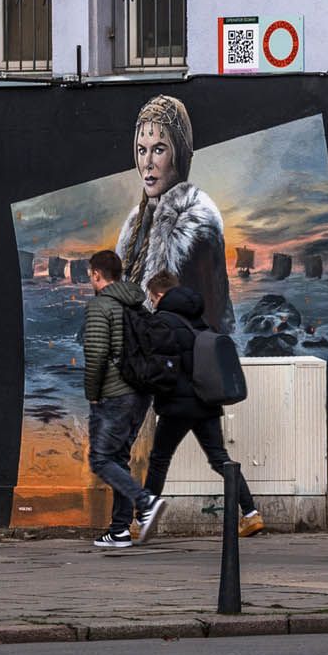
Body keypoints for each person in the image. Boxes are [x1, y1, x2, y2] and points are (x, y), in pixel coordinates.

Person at [138, 279, 265, 542]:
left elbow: (162, 364)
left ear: (160, 295)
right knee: (220, 458)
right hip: (206, 402)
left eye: (152, 297)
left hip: (177, 404)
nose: (151, 302)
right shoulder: (201, 322)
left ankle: (142, 520)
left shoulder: (163, 321)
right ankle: (251, 513)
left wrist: (152, 387)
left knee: (160, 459)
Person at [115, 94, 233, 336]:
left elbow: (210, 322)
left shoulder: (196, 226)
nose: (147, 163)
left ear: (179, 153)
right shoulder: (135, 224)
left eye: (158, 149)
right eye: (141, 150)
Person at [79, 248, 154, 550]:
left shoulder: (101, 306)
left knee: (100, 458)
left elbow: (96, 354)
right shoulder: (138, 304)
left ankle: (145, 501)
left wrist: (93, 395)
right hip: (140, 393)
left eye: (89, 275)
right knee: (118, 458)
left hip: (114, 394)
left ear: (96, 274)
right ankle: (120, 530)